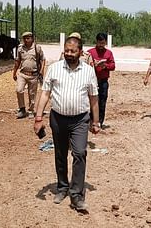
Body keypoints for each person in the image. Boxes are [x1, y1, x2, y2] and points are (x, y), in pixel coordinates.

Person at [33, 36, 100, 211]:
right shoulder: (54, 68)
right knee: (60, 153)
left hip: (80, 120)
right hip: (58, 118)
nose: (69, 54)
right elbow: (45, 93)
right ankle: (62, 187)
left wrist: (96, 121)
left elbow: (93, 98)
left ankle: (76, 194)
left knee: (79, 153)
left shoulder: (88, 71)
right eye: (67, 50)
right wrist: (38, 118)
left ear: (80, 51)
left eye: (73, 51)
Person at [12, 31, 46, 119]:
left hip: (34, 75)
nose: (26, 40)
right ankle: (22, 109)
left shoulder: (37, 48)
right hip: (22, 74)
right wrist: (14, 72)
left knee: (32, 94)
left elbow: (42, 60)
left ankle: (31, 110)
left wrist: (42, 71)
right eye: (24, 38)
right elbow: (17, 61)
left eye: (28, 38)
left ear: (32, 38)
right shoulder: (20, 48)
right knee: (19, 90)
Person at [88, 33, 115, 129]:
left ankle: (100, 121)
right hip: (91, 81)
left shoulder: (109, 53)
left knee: (102, 101)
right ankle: (91, 121)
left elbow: (113, 66)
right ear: (96, 41)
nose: (101, 45)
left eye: (103, 43)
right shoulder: (90, 53)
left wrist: (105, 66)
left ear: (105, 42)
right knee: (92, 101)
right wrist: (92, 65)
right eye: (99, 43)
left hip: (103, 81)